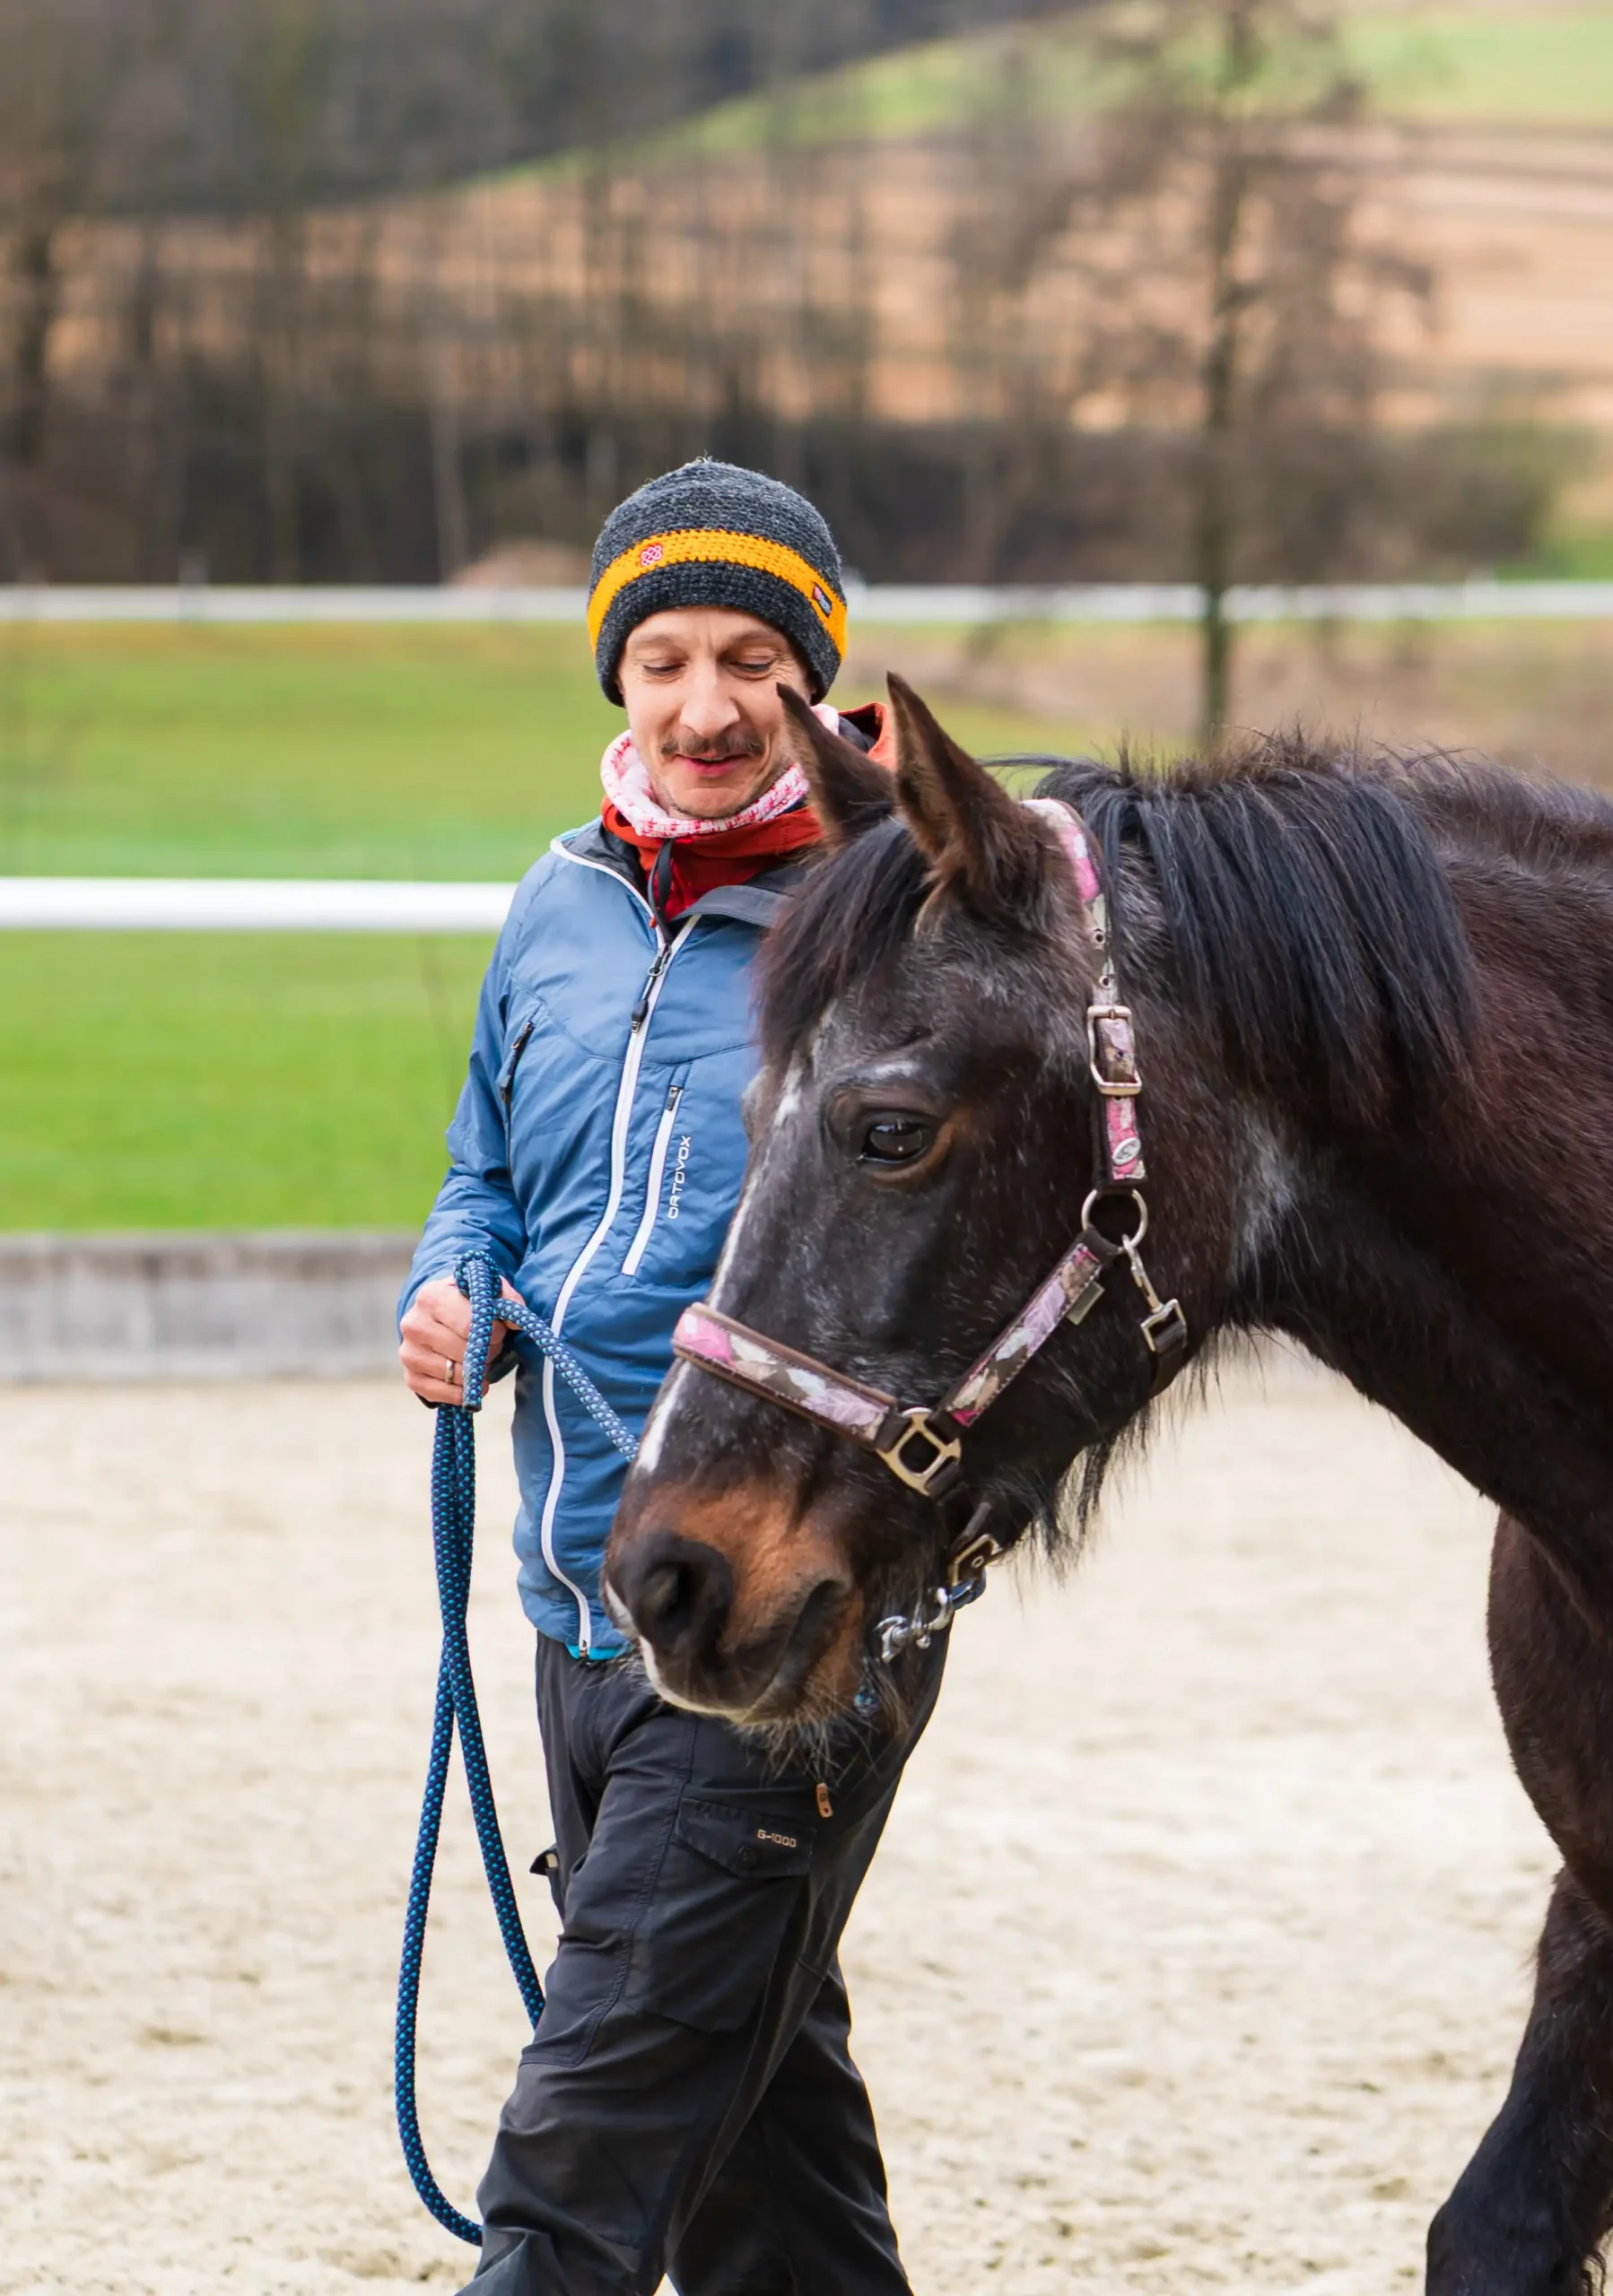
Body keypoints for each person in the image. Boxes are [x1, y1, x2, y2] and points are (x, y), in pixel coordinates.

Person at [397, 459, 943, 2296]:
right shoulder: (555, 902)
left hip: (790, 1622)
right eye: (662, 658)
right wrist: (449, 1276)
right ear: (614, 679)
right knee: (760, 2162)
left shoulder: (898, 919)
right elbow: (485, 1156)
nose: (704, 705)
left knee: (583, 2155)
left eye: (751, 661)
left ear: (816, 676)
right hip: (579, 1600)